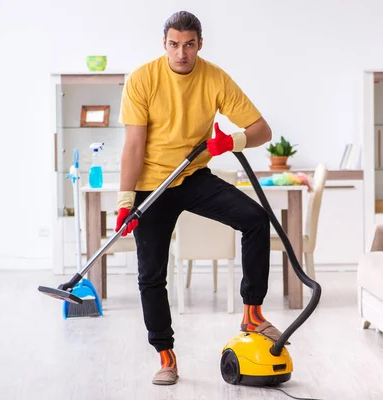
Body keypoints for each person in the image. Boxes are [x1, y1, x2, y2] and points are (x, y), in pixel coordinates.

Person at [115, 10, 284, 386]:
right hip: (151, 185)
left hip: (192, 176)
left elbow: (262, 130)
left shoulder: (214, 77)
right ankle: (166, 355)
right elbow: (133, 145)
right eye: (174, 45)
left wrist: (231, 141)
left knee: (256, 220)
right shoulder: (142, 79)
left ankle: (252, 312)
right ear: (164, 44)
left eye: (189, 45)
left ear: (199, 44)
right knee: (151, 275)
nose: (181, 53)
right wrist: (127, 200)